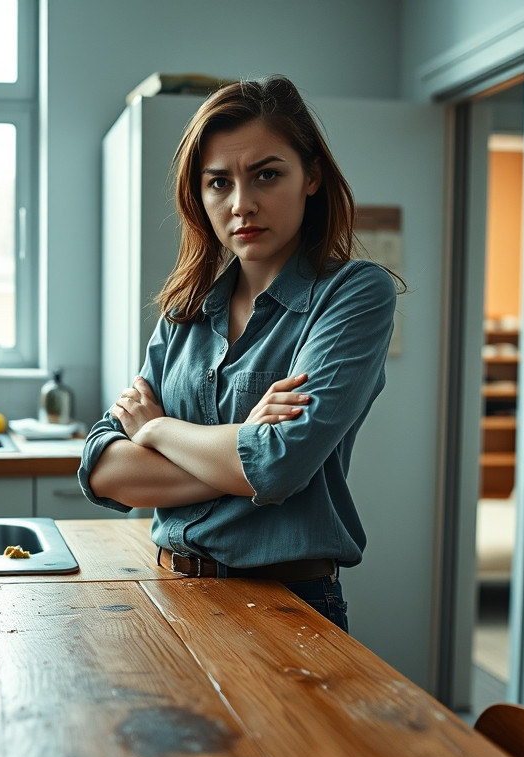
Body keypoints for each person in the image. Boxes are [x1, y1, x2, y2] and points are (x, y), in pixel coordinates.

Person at [77, 76, 400, 632]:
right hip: (170, 591)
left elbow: (276, 465)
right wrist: (240, 457)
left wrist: (156, 433)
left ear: (312, 176)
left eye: (267, 175)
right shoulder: (185, 310)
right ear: (199, 196)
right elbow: (103, 468)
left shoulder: (354, 293)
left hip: (288, 603)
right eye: (218, 183)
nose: (242, 204)